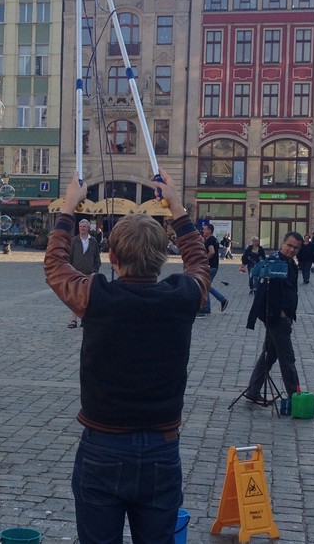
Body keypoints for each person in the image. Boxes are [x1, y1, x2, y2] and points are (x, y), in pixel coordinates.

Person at [43, 169, 208, 543]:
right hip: (162, 449)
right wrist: (178, 209)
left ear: (112, 257)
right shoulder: (182, 296)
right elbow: (199, 263)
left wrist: (68, 208)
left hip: (103, 444)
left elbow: (55, 265)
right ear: (163, 258)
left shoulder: (95, 296)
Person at [244, 231, 304, 401]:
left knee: (269, 355)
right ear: (282, 244)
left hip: (285, 316)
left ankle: (253, 391)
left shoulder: (291, 263)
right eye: (289, 245)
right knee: (287, 357)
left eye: (295, 248)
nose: (291, 249)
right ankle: (295, 397)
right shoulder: (274, 263)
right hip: (277, 318)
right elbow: (264, 292)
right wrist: (281, 314)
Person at [68, 219, 102, 329]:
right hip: (76, 273)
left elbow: (97, 258)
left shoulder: (93, 241)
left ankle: (84, 319)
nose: (81, 228)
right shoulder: (74, 240)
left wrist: (94, 271)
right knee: (74, 298)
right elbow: (70, 257)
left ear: (88, 228)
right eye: (80, 226)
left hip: (89, 273)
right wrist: (70, 270)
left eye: (84, 227)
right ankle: (73, 320)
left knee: (86, 298)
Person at [200, 223, 230, 316]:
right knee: (206, 285)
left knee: (205, 285)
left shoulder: (210, 240)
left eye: (205, 229)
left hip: (210, 266)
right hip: (214, 266)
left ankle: (221, 300)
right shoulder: (213, 240)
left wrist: (204, 259)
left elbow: (211, 252)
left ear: (209, 230)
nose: (203, 231)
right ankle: (207, 307)